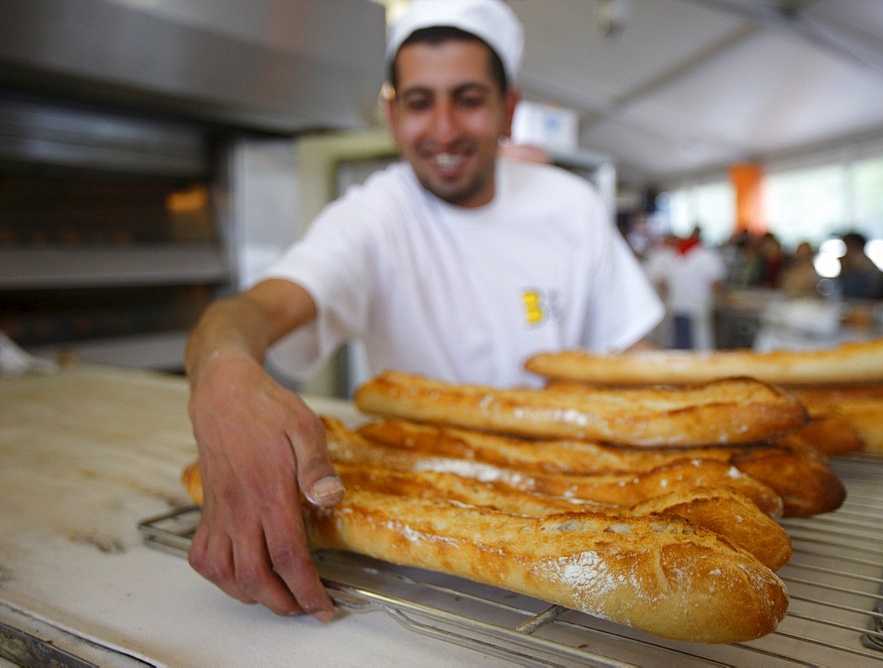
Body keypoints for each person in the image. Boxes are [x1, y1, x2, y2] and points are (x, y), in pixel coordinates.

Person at [183, 0, 663, 624]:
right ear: (391, 112)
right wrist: (222, 371)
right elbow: (251, 312)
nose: (442, 129)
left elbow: (632, 359)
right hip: (429, 541)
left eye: (467, 98)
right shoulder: (376, 217)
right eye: (419, 102)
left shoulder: (569, 207)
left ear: (507, 109)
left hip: (578, 504)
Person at [643, 228, 726, 349]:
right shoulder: (706, 255)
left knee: (680, 344)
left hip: (677, 305)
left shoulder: (672, 256)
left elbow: (662, 282)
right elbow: (716, 283)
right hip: (697, 306)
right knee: (699, 343)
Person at [837, 231, 883, 300]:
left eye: (849, 247)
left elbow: (875, 291)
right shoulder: (846, 266)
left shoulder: (869, 268)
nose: (846, 252)